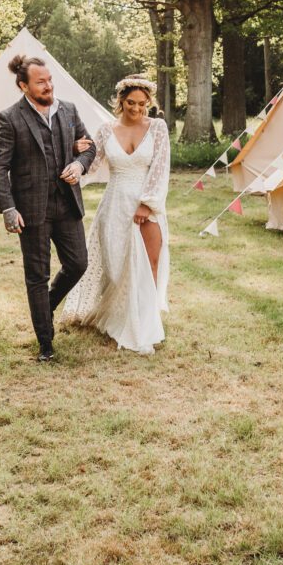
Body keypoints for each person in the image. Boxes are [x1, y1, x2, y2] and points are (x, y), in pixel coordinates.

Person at [0, 54, 96, 362]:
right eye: (41, 82)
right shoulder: (9, 118)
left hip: (67, 204)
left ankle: (45, 306)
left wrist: (78, 164)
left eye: (50, 80)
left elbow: (90, 146)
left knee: (78, 263)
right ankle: (46, 344)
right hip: (31, 210)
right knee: (36, 275)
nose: (49, 86)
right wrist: (8, 208)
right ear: (24, 86)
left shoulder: (69, 110)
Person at [61, 75, 171, 355]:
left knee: (151, 262)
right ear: (121, 101)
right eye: (131, 103)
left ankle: (145, 324)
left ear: (149, 103)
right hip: (114, 203)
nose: (136, 109)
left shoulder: (157, 128)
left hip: (147, 202)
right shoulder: (106, 130)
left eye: (142, 104)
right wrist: (75, 164)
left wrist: (147, 204)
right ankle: (120, 316)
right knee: (116, 265)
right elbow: (93, 163)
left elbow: (161, 166)